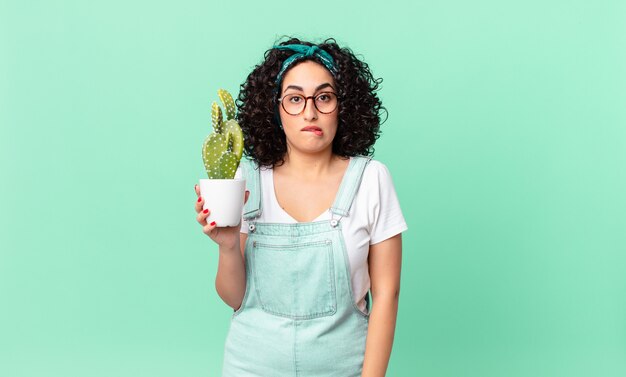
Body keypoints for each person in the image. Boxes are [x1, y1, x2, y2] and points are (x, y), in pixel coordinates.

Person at [194, 37, 408, 377]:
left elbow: (387, 295)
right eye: (295, 99)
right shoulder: (246, 179)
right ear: (275, 109)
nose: (310, 112)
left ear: (345, 106)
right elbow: (235, 298)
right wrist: (228, 245)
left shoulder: (371, 180)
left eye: (324, 97)